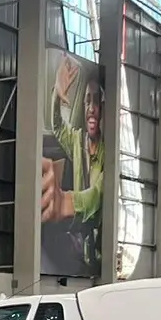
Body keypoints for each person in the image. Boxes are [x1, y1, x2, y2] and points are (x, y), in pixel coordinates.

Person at [42, 56, 103, 269]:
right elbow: (58, 126)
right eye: (87, 101)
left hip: (102, 254)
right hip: (81, 249)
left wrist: (63, 202)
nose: (91, 108)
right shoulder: (78, 141)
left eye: (97, 101)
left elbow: (96, 196)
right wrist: (57, 96)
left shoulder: (109, 154)